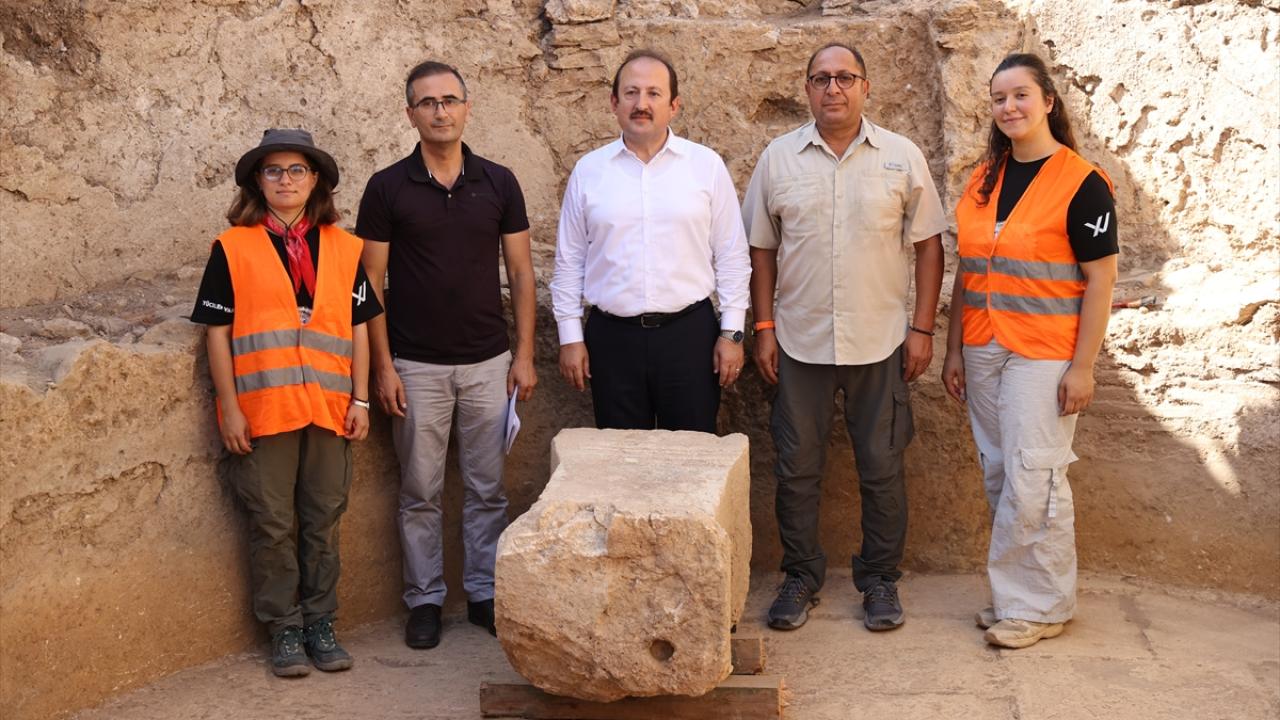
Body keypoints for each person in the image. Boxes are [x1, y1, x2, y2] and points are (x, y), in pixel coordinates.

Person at [742, 43, 945, 632]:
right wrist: (763, 328)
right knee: (795, 467)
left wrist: (922, 329)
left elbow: (929, 244)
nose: (833, 88)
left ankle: (880, 579)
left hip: (880, 340)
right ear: (806, 89)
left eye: (845, 78)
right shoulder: (778, 159)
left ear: (866, 86)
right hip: (799, 342)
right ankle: (801, 576)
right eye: (821, 78)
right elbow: (761, 248)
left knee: (881, 466)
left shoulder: (900, 157)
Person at [356, 60, 537, 650]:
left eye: (450, 100)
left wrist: (525, 354)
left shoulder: (499, 181)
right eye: (427, 102)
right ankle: (425, 599)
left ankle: (483, 593)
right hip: (415, 365)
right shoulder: (386, 187)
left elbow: (520, 271)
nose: (440, 111)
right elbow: (371, 284)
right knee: (420, 491)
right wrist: (382, 367)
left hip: (488, 361)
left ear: (466, 107)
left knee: (488, 488)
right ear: (410, 113)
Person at [942, 52, 1118, 649]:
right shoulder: (982, 179)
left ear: (1047, 101)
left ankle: (1039, 607)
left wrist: (1084, 366)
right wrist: (955, 350)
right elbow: (968, 270)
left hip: (1045, 353)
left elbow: (1101, 280)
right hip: (985, 345)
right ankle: (1018, 596)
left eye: (1020, 95)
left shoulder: (1082, 182)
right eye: (998, 99)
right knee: (1000, 470)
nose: (1009, 107)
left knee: (1035, 474)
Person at [191, 128, 381, 677]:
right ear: (258, 180)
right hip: (264, 411)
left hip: (328, 408)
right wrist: (229, 407)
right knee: (272, 522)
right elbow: (217, 333)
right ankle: (285, 629)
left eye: (297, 170)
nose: (285, 180)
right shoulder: (233, 248)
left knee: (323, 518)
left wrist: (362, 399)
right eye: (273, 171)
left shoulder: (346, 249)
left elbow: (360, 328)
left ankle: (322, 623)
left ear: (315, 179)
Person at [550, 49, 751, 432]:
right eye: (631, 93)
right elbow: (569, 261)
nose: (641, 104)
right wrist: (570, 337)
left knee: (691, 458)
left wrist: (732, 332)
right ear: (614, 102)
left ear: (673, 105)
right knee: (622, 461)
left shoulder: (705, 166)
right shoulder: (589, 172)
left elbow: (731, 256)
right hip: (611, 342)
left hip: (689, 339)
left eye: (654, 94)